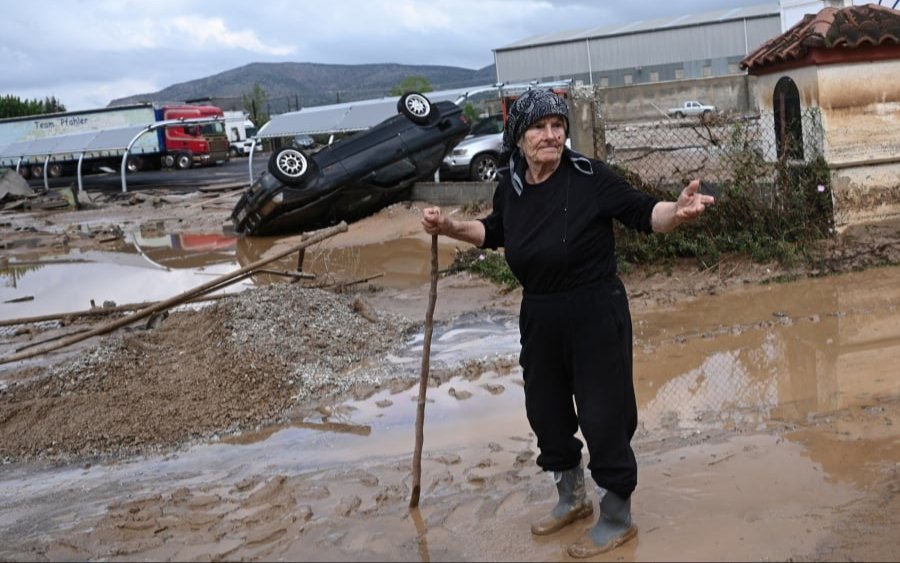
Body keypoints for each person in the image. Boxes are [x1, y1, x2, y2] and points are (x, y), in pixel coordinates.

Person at [421, 88, 714, 557]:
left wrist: (675, 213)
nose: (551, 135)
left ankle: (617, 515)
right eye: (539, 127)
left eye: (558, 126)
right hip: (540, 312)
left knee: (604, 414)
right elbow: (496, 231)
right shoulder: (512, 182)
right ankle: (572, 497)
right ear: (518, 136)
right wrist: (450, 226)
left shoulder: (589, 177)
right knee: (547, 413)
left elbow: (644, 213)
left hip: (594, 309)